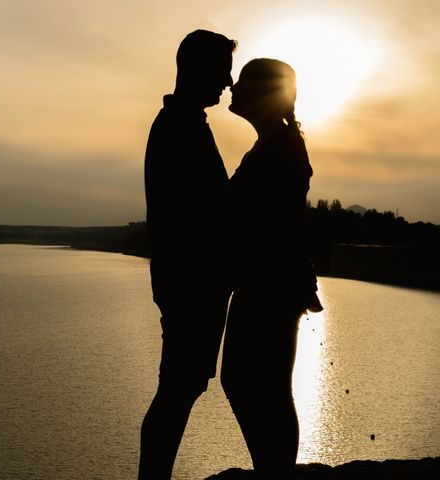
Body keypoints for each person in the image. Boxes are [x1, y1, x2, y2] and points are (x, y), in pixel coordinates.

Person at [139, 29, 237, 480]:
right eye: (222, 69)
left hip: (190, 283)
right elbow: (199, 212)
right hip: (189, 285)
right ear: (197, 69)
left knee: (182, 386)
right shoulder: (179, 127)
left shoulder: (185, 122)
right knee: (177, 389)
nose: (229, 80)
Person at [220, 58, 323, 479]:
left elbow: (269, 224)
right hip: (270, 282)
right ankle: (273, 470)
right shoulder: (273, 144)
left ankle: (274, 472)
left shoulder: (279, 148)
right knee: (254, 385)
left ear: (265, 96)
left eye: (243, 82)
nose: (232, 87)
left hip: (272, 285)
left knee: (259, 387)